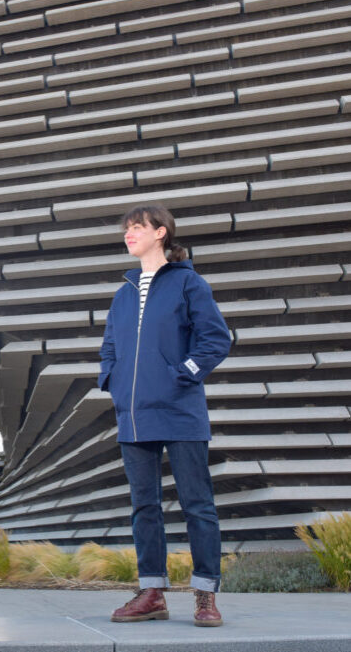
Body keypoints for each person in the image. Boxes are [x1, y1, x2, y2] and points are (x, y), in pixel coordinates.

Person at [98, 204, 230, 627]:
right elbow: (110, 349)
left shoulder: (188, 283)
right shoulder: (122, 295)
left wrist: (183, 374)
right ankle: (152, 592)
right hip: (133, 414)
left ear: (161, 233)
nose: (129, 235)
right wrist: (112, 380)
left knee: (197, 505)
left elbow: (215, 339)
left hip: (180, 409)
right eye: (126, 230)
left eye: (137, 228)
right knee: (144, 508)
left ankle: (206, 595)